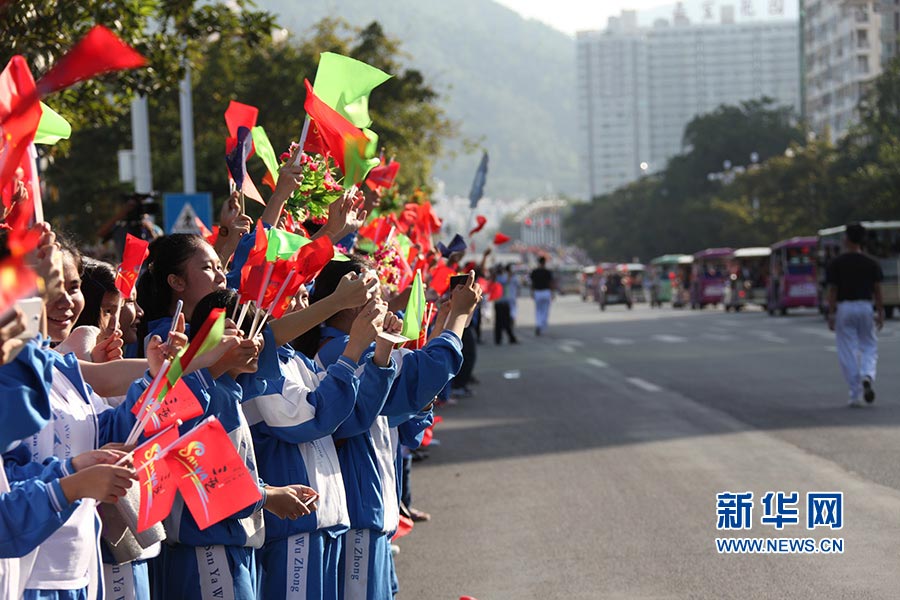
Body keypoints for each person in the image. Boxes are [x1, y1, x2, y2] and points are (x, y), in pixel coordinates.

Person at [825, 223, 885, 407]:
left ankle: (855, 393)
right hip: (866, 306)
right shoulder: (871, 262)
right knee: (869, 345)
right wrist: (880, 311)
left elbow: (833, 290)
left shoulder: (837, 263)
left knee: (847, 350)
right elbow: (877, 290)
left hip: (845, 307)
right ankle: (867, 374)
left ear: (846, 239)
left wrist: (831, 313)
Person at [530, 256, 554, 336]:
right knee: (545, 310)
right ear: (545, 262)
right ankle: (542, 324)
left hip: (537, 292)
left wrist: (532, 292)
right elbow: (550, 283)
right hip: (546, 292)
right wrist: (552, 293)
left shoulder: (534, 272)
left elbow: (532, 283)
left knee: (538, 310)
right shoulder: (547, 272)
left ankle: (538, 324)